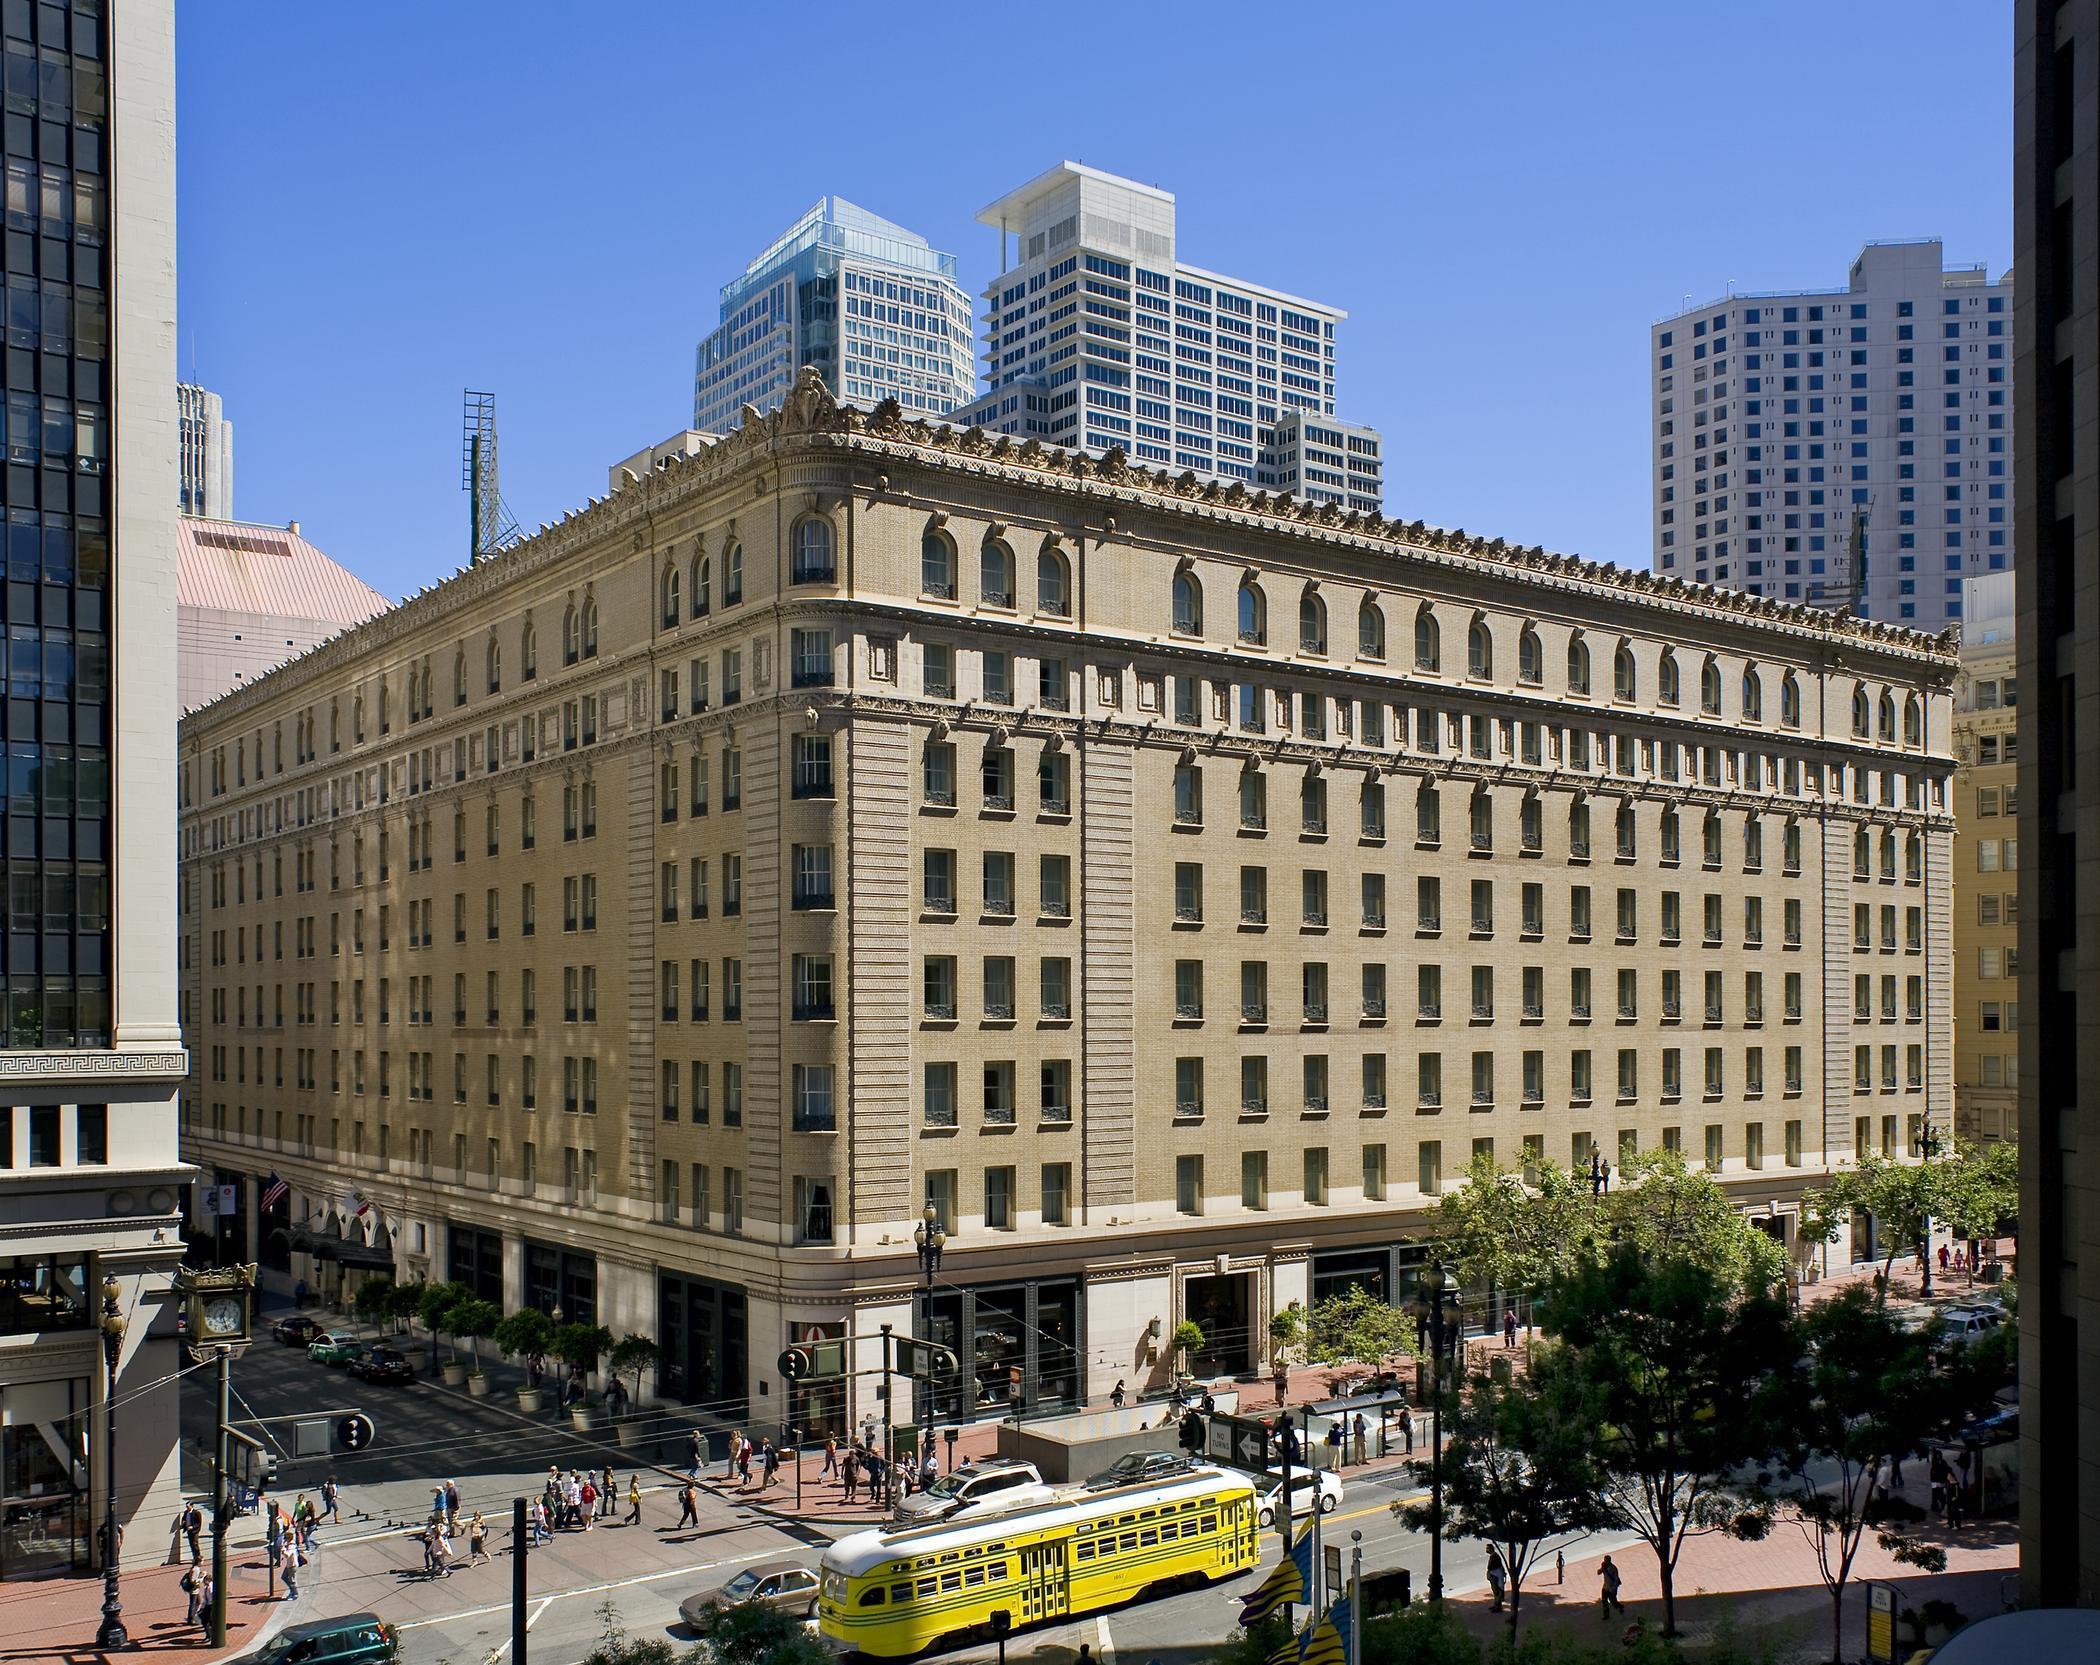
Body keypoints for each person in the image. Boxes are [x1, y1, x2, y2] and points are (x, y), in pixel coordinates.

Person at [1486, 1545, 1507, 1612]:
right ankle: (1496, 1605)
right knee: (1495, 1592)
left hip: (1495, 1576)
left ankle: (1498, 1607)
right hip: (1495, 1575)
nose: (1486, 1550)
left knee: (1496, 1592)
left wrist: (1489, 1573)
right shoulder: (1494, 1556)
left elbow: (1490, 1567)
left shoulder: (1494, 1557)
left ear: (1491, 1549)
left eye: (1487, 1548)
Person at [196, 1569, 214, 1634]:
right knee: (205, 1620)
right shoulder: (206, 1587)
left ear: (208, 1580)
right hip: (207, 1605)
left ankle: (210, 1634)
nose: (203, 1582)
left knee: (207, 1620)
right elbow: (204, 1598)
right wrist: (202, 1607)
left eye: (204, 1581)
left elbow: (211, 1597)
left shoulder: (211, 1587)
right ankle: (208, 1634)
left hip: (210, 1605)